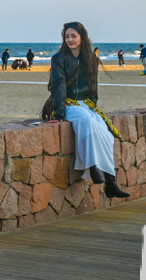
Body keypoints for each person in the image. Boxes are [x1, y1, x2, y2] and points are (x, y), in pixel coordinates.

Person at [44, 22, 129, 199]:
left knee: (105, 133)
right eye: (67, 36)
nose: (70, 40)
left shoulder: (91, 58)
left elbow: (93, 85)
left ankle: (111, 182)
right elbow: (58, 86)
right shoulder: (59, 58)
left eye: (73, 36)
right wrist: (59, 113)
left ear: (82, 37)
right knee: (86, 121)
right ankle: (92, 166)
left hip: (87, 104)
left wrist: (94, 105)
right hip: (67, 104)